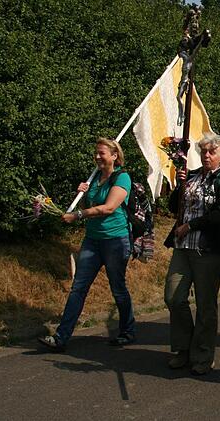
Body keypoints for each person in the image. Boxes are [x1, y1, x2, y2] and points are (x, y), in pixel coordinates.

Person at [38, 138, 136, 352]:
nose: (98, 157)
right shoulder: (95, 179)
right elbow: (90, 206)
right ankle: (61, 337)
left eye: (102, 153)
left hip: (115, 240)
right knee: (78, 288)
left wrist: (78, 214)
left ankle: (127, 331)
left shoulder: (122, 178)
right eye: (96, 153)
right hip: (92, 240)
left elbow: (109, 208)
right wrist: (82, 193)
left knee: (118, 288)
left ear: (114, 156)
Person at [162, 134, 220, 375]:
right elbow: (174, 207)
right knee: (174, 297)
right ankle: (183, 348)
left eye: (211, 152)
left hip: (209, 250)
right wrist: (178, 186)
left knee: (205, 304)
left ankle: (203, 355)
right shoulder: (191, 175)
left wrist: (191, 226)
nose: (206, 155)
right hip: (183, 248)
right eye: (204, 151)